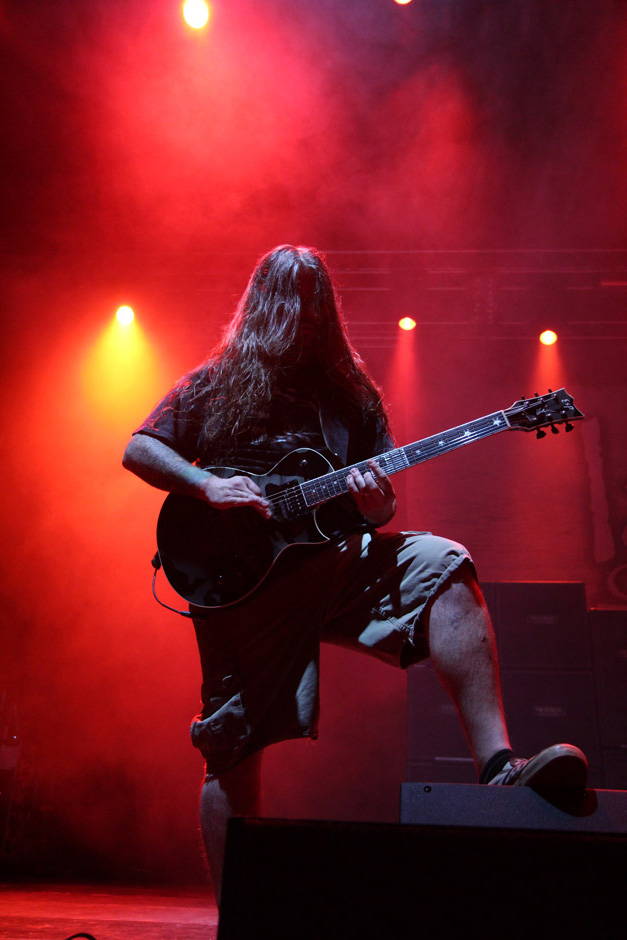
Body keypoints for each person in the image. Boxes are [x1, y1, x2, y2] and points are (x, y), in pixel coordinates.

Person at [123, 245, 588, 902]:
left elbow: (383, 501)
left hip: (336, 564)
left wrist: (376, 507)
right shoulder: (216, 382)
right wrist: (207, 486)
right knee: (231, 744)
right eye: (289, 305)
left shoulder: (352, 395)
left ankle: (499, 767)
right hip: (241, 584)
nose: (302, 319)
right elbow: (139, 448)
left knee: (444, 565)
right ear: (262, 307)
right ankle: (238, 916)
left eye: (314, 306)